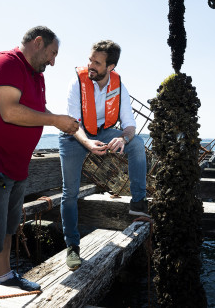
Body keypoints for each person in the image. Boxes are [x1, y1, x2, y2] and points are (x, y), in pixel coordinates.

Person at [0, 26, 78, 290]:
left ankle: (4, 278)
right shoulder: (5, 63)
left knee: (7, 227)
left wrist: (60, 121)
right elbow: (10, 111)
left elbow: (38, 110)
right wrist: (54, 120)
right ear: (38, 42)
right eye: (52, 53)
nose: (53, 61)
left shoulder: (36, 75)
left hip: (16, 166)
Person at [59, 40, 149, 271]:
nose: (90, 65)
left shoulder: (120, 85)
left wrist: (123, 138)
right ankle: (72, 246)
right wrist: (88, 143)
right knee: (69, 192)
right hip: (74, 134)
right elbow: (73, 123)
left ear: (111, 67)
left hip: (104, 131)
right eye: (90, 60)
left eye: (96, 63)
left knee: (137, 144)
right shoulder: (76, 82)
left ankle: (138, 204)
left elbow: (130, 125)